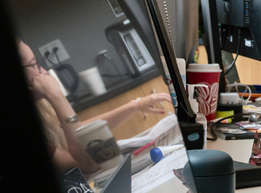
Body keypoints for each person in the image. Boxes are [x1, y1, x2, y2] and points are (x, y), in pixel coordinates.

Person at [19, 40, 171, 174]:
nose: (44, 72)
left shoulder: (39, 110)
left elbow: (76, 132)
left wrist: (135, 105)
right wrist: (57, 96)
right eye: (34, 64)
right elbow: (87, 163)